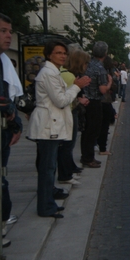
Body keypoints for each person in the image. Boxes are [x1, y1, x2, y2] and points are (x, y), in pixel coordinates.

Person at [27, 40, 90, 218]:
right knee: (47, 168)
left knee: (49, 167)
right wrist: (77, 86)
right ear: (49, 55)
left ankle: (48, 202)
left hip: (51, 124)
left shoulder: (52, 72)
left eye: (64, 53)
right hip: (48, 125)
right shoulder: (49, 73)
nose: (62, 56)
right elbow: (61, 100)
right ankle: (45, 206)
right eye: (58, 53)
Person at [0, 13, 23, 247]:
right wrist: (13, 118)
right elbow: (3, 99)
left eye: (10, 30)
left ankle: (3, 221)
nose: (9, 35)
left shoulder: (3, 60)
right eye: (3, 31)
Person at [57, 45, 91, 185]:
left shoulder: (63, 73)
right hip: (68, 113)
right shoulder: (69, 76)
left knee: (66, 145)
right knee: (67, 145)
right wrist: (79, 99)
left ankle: (68, 170)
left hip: (66, 112)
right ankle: (65, 174)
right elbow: (65, 99)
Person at [80, 41, 113, 168]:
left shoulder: (87, 65)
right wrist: (109, 83)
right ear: (105, 53)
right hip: (94, 102)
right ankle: (88, 158)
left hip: (85, 100)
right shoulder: (100, 69)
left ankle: (86, 156)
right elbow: (103, 90)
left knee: (86, 131)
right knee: (93, 131)